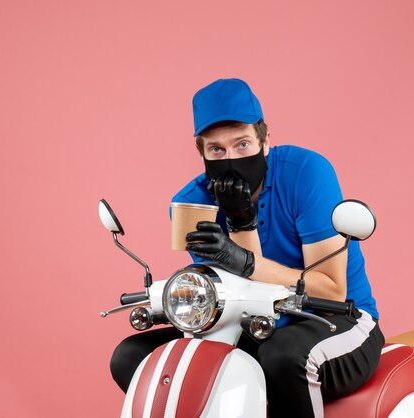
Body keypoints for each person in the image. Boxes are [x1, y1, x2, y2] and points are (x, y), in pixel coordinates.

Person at [110, 78, 385, 418]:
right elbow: (239, 300)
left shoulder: (307, 173)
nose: (231, 159)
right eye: (216, 150)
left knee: (283, 356)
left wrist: (242, 235)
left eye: (242, 144)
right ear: (201, 153)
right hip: (253, 327)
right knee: (133, 356)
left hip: (340, 320)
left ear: (265, 141)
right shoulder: (191, 205)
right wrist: (239, 226)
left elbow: (331, 290)